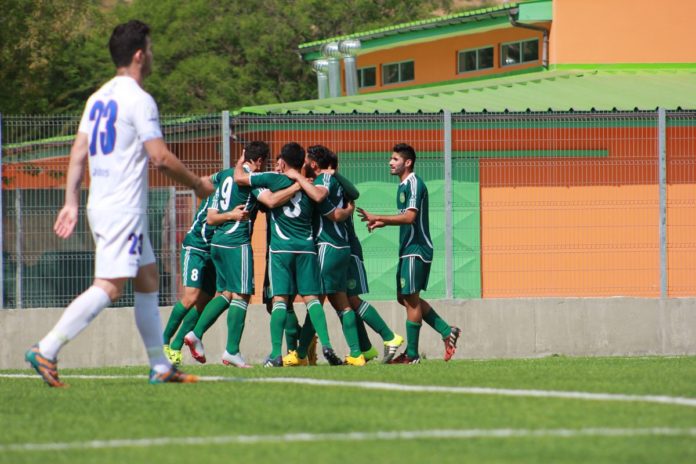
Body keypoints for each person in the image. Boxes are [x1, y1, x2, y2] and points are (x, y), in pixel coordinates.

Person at [24, 20, 213, 387]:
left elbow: (79, 151)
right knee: (110, 285)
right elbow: (158, 157)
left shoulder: (98, 98)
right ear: (140, 54)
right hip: (122, 209)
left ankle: (160, 365)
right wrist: (196, 184)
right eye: (152, 49)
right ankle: (46, 348)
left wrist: (71, 201)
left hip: (105, 204)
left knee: (147, 279)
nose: (153, 55)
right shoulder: (139, 99)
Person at [182, 141, 300, 367]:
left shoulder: (226, 176)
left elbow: (211, 217)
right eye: (264, 162)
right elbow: (271, 200)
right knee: (242, 295)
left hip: (217, 243)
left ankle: (195, 334)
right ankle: (231, 351)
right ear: (258, 161)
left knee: (226, 293)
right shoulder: (251, 180)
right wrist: (297, 187)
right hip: (237, 243)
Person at [234, 142, 343, 366]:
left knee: (280, 300)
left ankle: (276, 354)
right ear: (302, 162)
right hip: (306, 248)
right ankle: (326, 345)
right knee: (312, 299)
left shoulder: (271, 179)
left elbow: (240, 178)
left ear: (282, 161)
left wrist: (240, 161)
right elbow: (327, 208)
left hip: (281, 250)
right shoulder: (309, 185)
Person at [358, 143, 460, 364]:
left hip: (417, 249)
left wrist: (379, 217)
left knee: (411, 301)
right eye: (391, 159)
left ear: (408, 162)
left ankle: (412, 354)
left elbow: (410, 218)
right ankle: (446, 330)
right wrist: (382, 223)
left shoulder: (414, 183)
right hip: (408, 249)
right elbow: (405, 217)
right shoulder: (403, 185)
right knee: (403, 297)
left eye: (395, 159)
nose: (390, 162)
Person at [283, 145, 364, 367]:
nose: (303, 164)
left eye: (306, 162)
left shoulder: (323, 182)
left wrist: (298, 178)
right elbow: (352, 195)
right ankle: (357, 354)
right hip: (340, 247)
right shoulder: (331, 180)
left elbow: (326, 204)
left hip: (327, 246)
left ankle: (300, 354)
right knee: (340, 301)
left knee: (315, 301)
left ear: (314, 165)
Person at [161, 172, 224, 366]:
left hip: (214, 250)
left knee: (204, 299)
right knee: (191, 296)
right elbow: (207, 180)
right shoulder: (222, 191)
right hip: (196, 247)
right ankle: (163, 341)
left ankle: (176, 346)